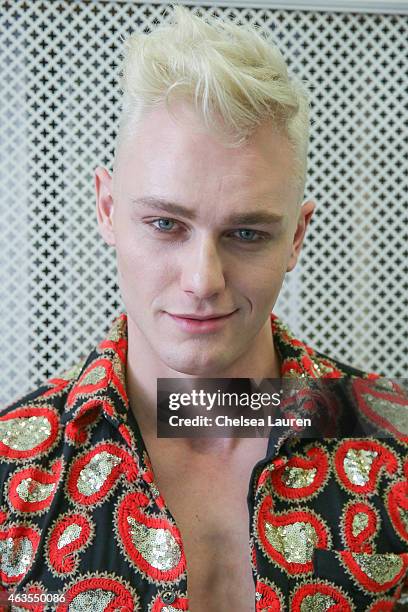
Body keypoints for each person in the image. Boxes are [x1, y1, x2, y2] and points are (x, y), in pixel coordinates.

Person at [0, 4, 407, 611]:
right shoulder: (12, 475)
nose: (202, 280)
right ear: (108, 209)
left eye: (247, 233)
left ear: (297, 237)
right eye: (166, 223)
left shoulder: (395, 451)